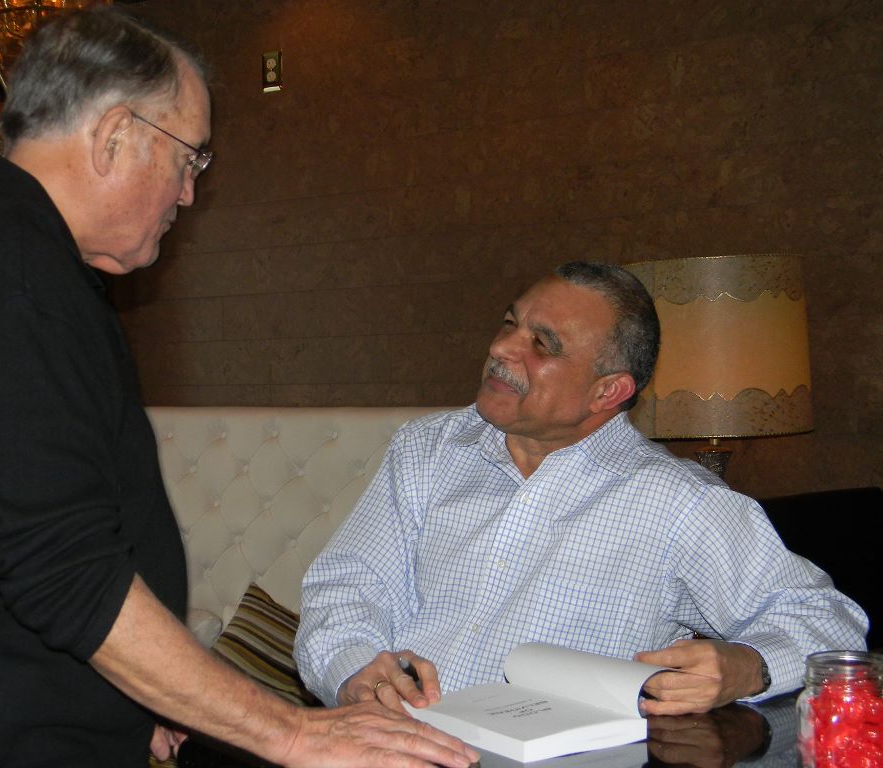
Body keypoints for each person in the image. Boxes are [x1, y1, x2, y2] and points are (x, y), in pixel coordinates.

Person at [0, 9, 478, 768]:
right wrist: (291, 731)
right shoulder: (13, 282)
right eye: (191, 157)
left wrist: (134, 698)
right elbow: (67, 574)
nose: (188, 193)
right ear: (115, 135)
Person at [295, 261, 868, 717]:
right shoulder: (426, 450)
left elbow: (827, 620)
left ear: (608, 391)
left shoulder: (676, 502)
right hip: (392, 743)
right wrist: (353, 672)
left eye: (543, 344)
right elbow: (347, 587)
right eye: (509, 323)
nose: (502, 348)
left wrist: (747, 666)